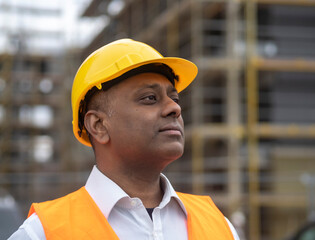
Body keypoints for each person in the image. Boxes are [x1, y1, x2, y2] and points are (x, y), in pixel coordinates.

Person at [9, 39, 240, 239]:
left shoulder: (219, 226)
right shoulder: (43, 233)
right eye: (150, 98)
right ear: (98, 125)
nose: (174, 109)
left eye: (175, 99)